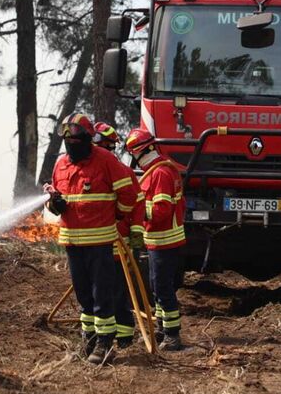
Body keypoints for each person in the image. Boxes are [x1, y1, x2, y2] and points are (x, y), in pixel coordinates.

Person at [44, 114, 142, 364]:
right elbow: (57, 202)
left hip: (99, 241)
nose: (71, 144)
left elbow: (129, 194)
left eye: (76, 138)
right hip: (71, 241)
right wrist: (55, 203)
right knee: (83, 294)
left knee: (102, 294)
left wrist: (117, 215)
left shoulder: (105, 160)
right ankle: (88, 338)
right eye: (67, 139)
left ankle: (105, 343)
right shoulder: (61, 165)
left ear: (88, 139)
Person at [125, 128, 186, 351]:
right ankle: (161, 329)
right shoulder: (157, 170)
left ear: (142, 152)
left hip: (164, 241)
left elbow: (161, 211)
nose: (135, 161)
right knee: (156, 287)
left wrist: (137, 211)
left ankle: (172, 336)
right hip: (157, 241)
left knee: (162, 288)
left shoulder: (160, 173)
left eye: (134, 155)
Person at [93, 121, 145, 349]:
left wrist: (136, 234)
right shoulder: (87, 169)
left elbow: (138, 201)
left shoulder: (120, 170)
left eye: (100, 143)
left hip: (116, 245)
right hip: (92, 245)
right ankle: (101, 334)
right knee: (97, 292)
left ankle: (123, 336)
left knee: (117, 292)